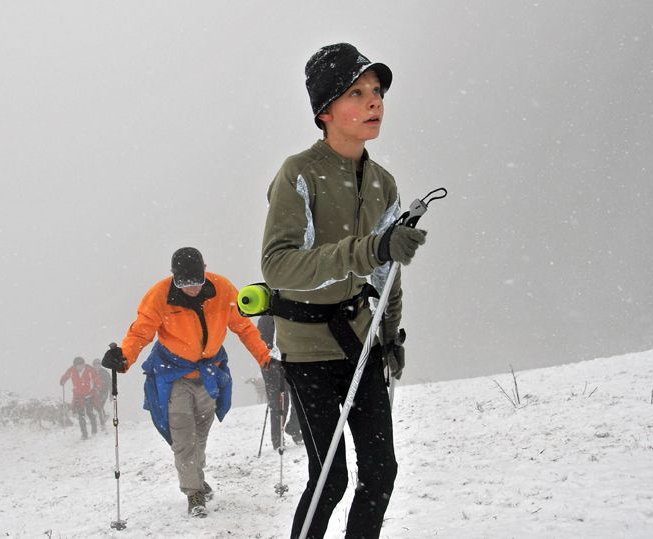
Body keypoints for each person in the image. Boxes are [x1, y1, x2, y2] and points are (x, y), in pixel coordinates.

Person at [260, 43, 426, 538]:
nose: (374, 101)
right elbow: (279, 266)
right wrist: (368, 249)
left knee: (380, 472)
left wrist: (390, 334)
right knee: (329, 479)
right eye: (357, 92)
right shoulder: (300, 173)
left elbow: (386, 270)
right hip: (308, 348)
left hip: (363, 340)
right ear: (325, 111)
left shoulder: (383, 182)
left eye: (376, 91)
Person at [101, 247, 270, 518]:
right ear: (173, 276)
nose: (191, 288)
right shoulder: (159, 296)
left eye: (197, 281)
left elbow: (244, 327)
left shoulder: (223, 289)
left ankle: (196, 478)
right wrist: (124, 358)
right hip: (173, 376)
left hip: (209, 374)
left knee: (199, 437)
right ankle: (194, 494)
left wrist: (265, 358)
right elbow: (141, 331)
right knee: (183, 438)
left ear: (205, 269)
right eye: (183, 283)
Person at [257, 314, 302, 450]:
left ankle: (293, 428)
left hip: (289, 364)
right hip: (271, 367)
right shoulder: (265, 320)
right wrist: (273, 358)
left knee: (298, 399)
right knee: (279, 404)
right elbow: (261, 344)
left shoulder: (287, 314)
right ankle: (277, 440)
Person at [59, 356, 102, 440]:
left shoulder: (89, 370)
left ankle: (94, 430)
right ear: (75, 366)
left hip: (89, 395)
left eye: (81, 365)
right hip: (78, 396)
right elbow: (66, 376)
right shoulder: (72, 370)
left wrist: (98, 387)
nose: (79, 367)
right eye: (78, 366)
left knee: (90, 413)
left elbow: (97, 379)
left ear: (84, 364)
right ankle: (84, 434)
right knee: (81, 415)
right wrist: (62, 381)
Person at [91, 358, 111, 431]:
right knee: (98, 407)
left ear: (100, 365)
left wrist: (111, 394)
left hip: (103, 393)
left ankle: (102, 424)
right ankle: (104, 416)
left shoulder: (104, 373)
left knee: (99, 406)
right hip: (95, 393)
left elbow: (110, 383)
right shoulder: (91, 372)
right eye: (95, 365)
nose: (96, 366)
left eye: (98, 365)